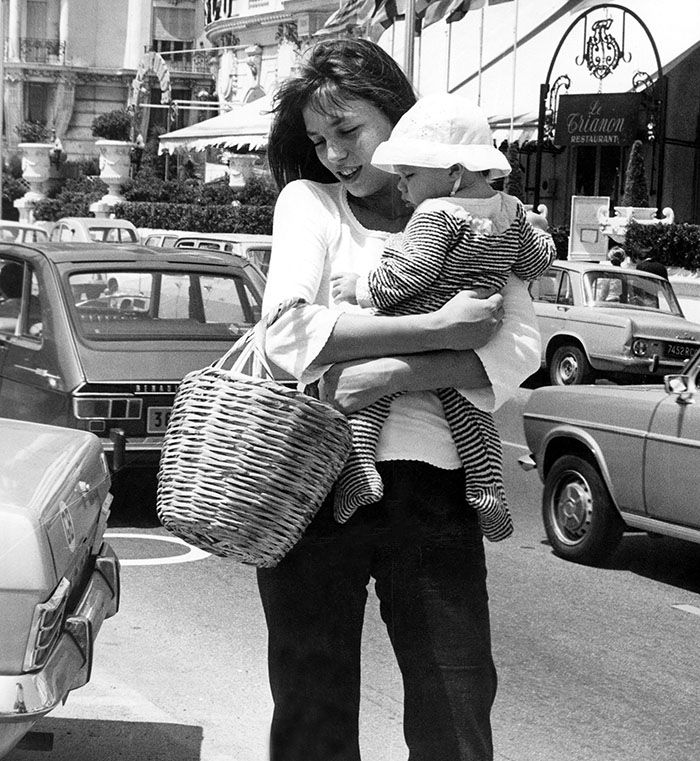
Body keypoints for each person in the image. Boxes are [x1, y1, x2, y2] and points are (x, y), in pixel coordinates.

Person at [257, 38, 542, 761]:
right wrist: (437, 329)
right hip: (318, 486)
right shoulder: (310, 204)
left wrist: (386, 375)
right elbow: (288, 335)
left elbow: (519, 348)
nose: (336, 156)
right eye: (320, 140)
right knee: (312, 711)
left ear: (399, 116)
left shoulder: (478, 207)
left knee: (457, 707)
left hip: (438, 493)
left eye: (348, 131)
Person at [329, 94, 555, 530]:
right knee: (471, 416)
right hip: (472, 341)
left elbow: (409, 275)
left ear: (454, 173)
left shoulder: (437, 213)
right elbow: (533, 265)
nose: (400, 186)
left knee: (369, 401)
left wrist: (361, 288)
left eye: (409, 174)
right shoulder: (511, 211)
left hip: (411, 326)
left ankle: (358, 472)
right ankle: (487, 488)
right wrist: (542, 238)